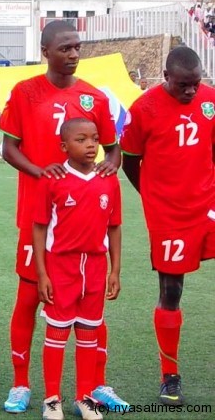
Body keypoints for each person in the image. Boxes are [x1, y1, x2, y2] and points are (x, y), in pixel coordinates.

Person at [0, 20, 125, 414]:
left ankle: (96, 384)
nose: (73, 55)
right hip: (37, 217)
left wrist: (111, 166)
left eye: (77, 47)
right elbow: (7, 148)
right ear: (45, 51)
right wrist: (41, 171)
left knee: (91, 301)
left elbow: (113, 148)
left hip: (84, 221)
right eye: (65, 48)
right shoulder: (25, 92)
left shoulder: (93, 97)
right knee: (29, 296)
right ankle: (22, 383)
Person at [121, 46, 215, 406]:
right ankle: (169, 375)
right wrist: (151, 196)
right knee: (171, 290)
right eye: (182, 85)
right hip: (170, 215)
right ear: (166, 77)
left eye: (195, 84)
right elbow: (130, 160)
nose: (191, 91)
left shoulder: (211, 101)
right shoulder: (144, 109)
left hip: (208, 204)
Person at [34, 118, 121, 420]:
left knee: (88, 335)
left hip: (96, 267)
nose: (91, 145)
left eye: (95, 139)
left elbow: (115, 226)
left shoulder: (108, 178)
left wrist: (115, 270)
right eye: (82, 140)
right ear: (64, 146)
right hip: (61, 266)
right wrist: (42, 273)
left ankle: (85, 399)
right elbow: (40, 226)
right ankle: (52, 400)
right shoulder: (52, 178)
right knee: (57, 335)